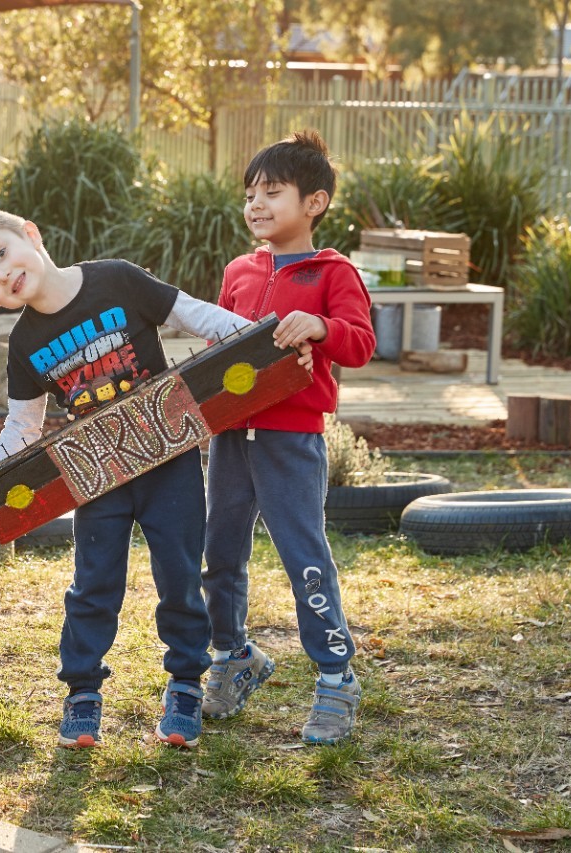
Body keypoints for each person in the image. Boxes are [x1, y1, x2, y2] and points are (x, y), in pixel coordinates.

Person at [0, 209, 309, 749]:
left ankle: (185, 684)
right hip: (95, 476)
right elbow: (23, 424)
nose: (2, 276)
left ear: (29, 233)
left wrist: (263, 341)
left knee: (181, 577)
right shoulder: (24, 344)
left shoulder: (116, 278)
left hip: (171, 463)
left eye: (0, 255)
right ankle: (83, 692)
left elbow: (193, 315)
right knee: (93, 584)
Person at [200, 129, 376, 745]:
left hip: (291, 441)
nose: (256, 204)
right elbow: (217, 344)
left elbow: (359, 343)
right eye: (251, 193)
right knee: (219, 555)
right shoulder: (238, 271)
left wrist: (321, 326)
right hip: (227, 440)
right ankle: (232, 658)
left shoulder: (333, 271)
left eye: (273, 192)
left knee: (305, 560)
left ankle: (335, 678)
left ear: (315, 203)